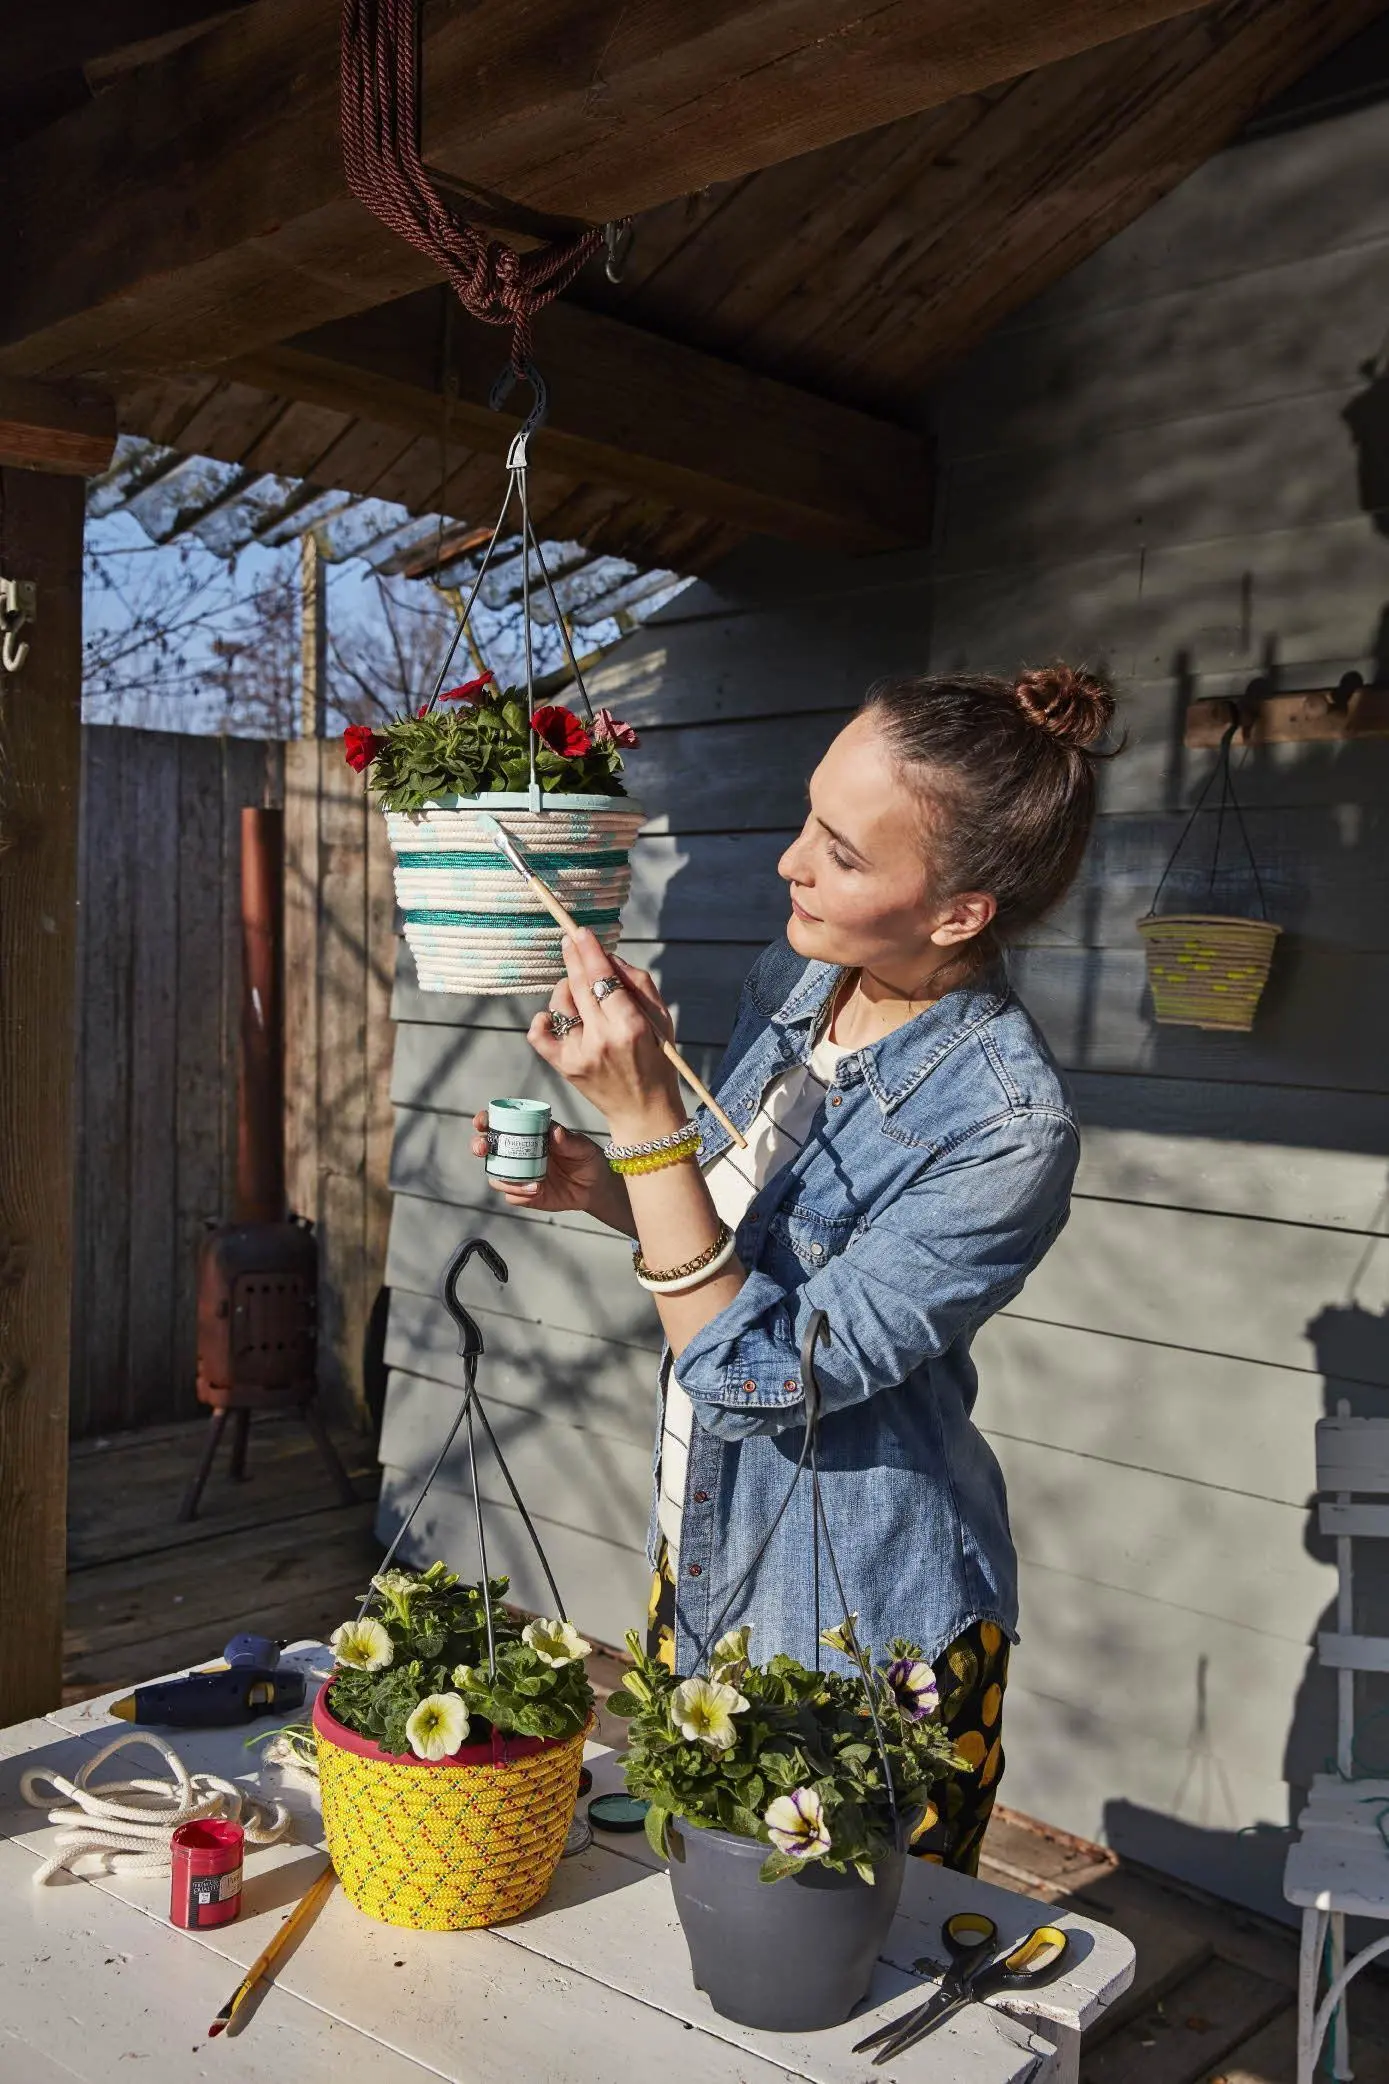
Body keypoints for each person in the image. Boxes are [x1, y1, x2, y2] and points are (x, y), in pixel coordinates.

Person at [472, 663, 1117, 1872]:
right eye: (808, 815)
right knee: (695, 1948)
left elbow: (754, 1371)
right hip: (704, 1546)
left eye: (843, 850)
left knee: (841, 2007)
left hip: (863, 1623)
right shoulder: (801, 977)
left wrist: (647, 1118)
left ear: (960, 912)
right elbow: (729, 1249)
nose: (791, 863)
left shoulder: (1007, 1127)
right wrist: (607, 1186)